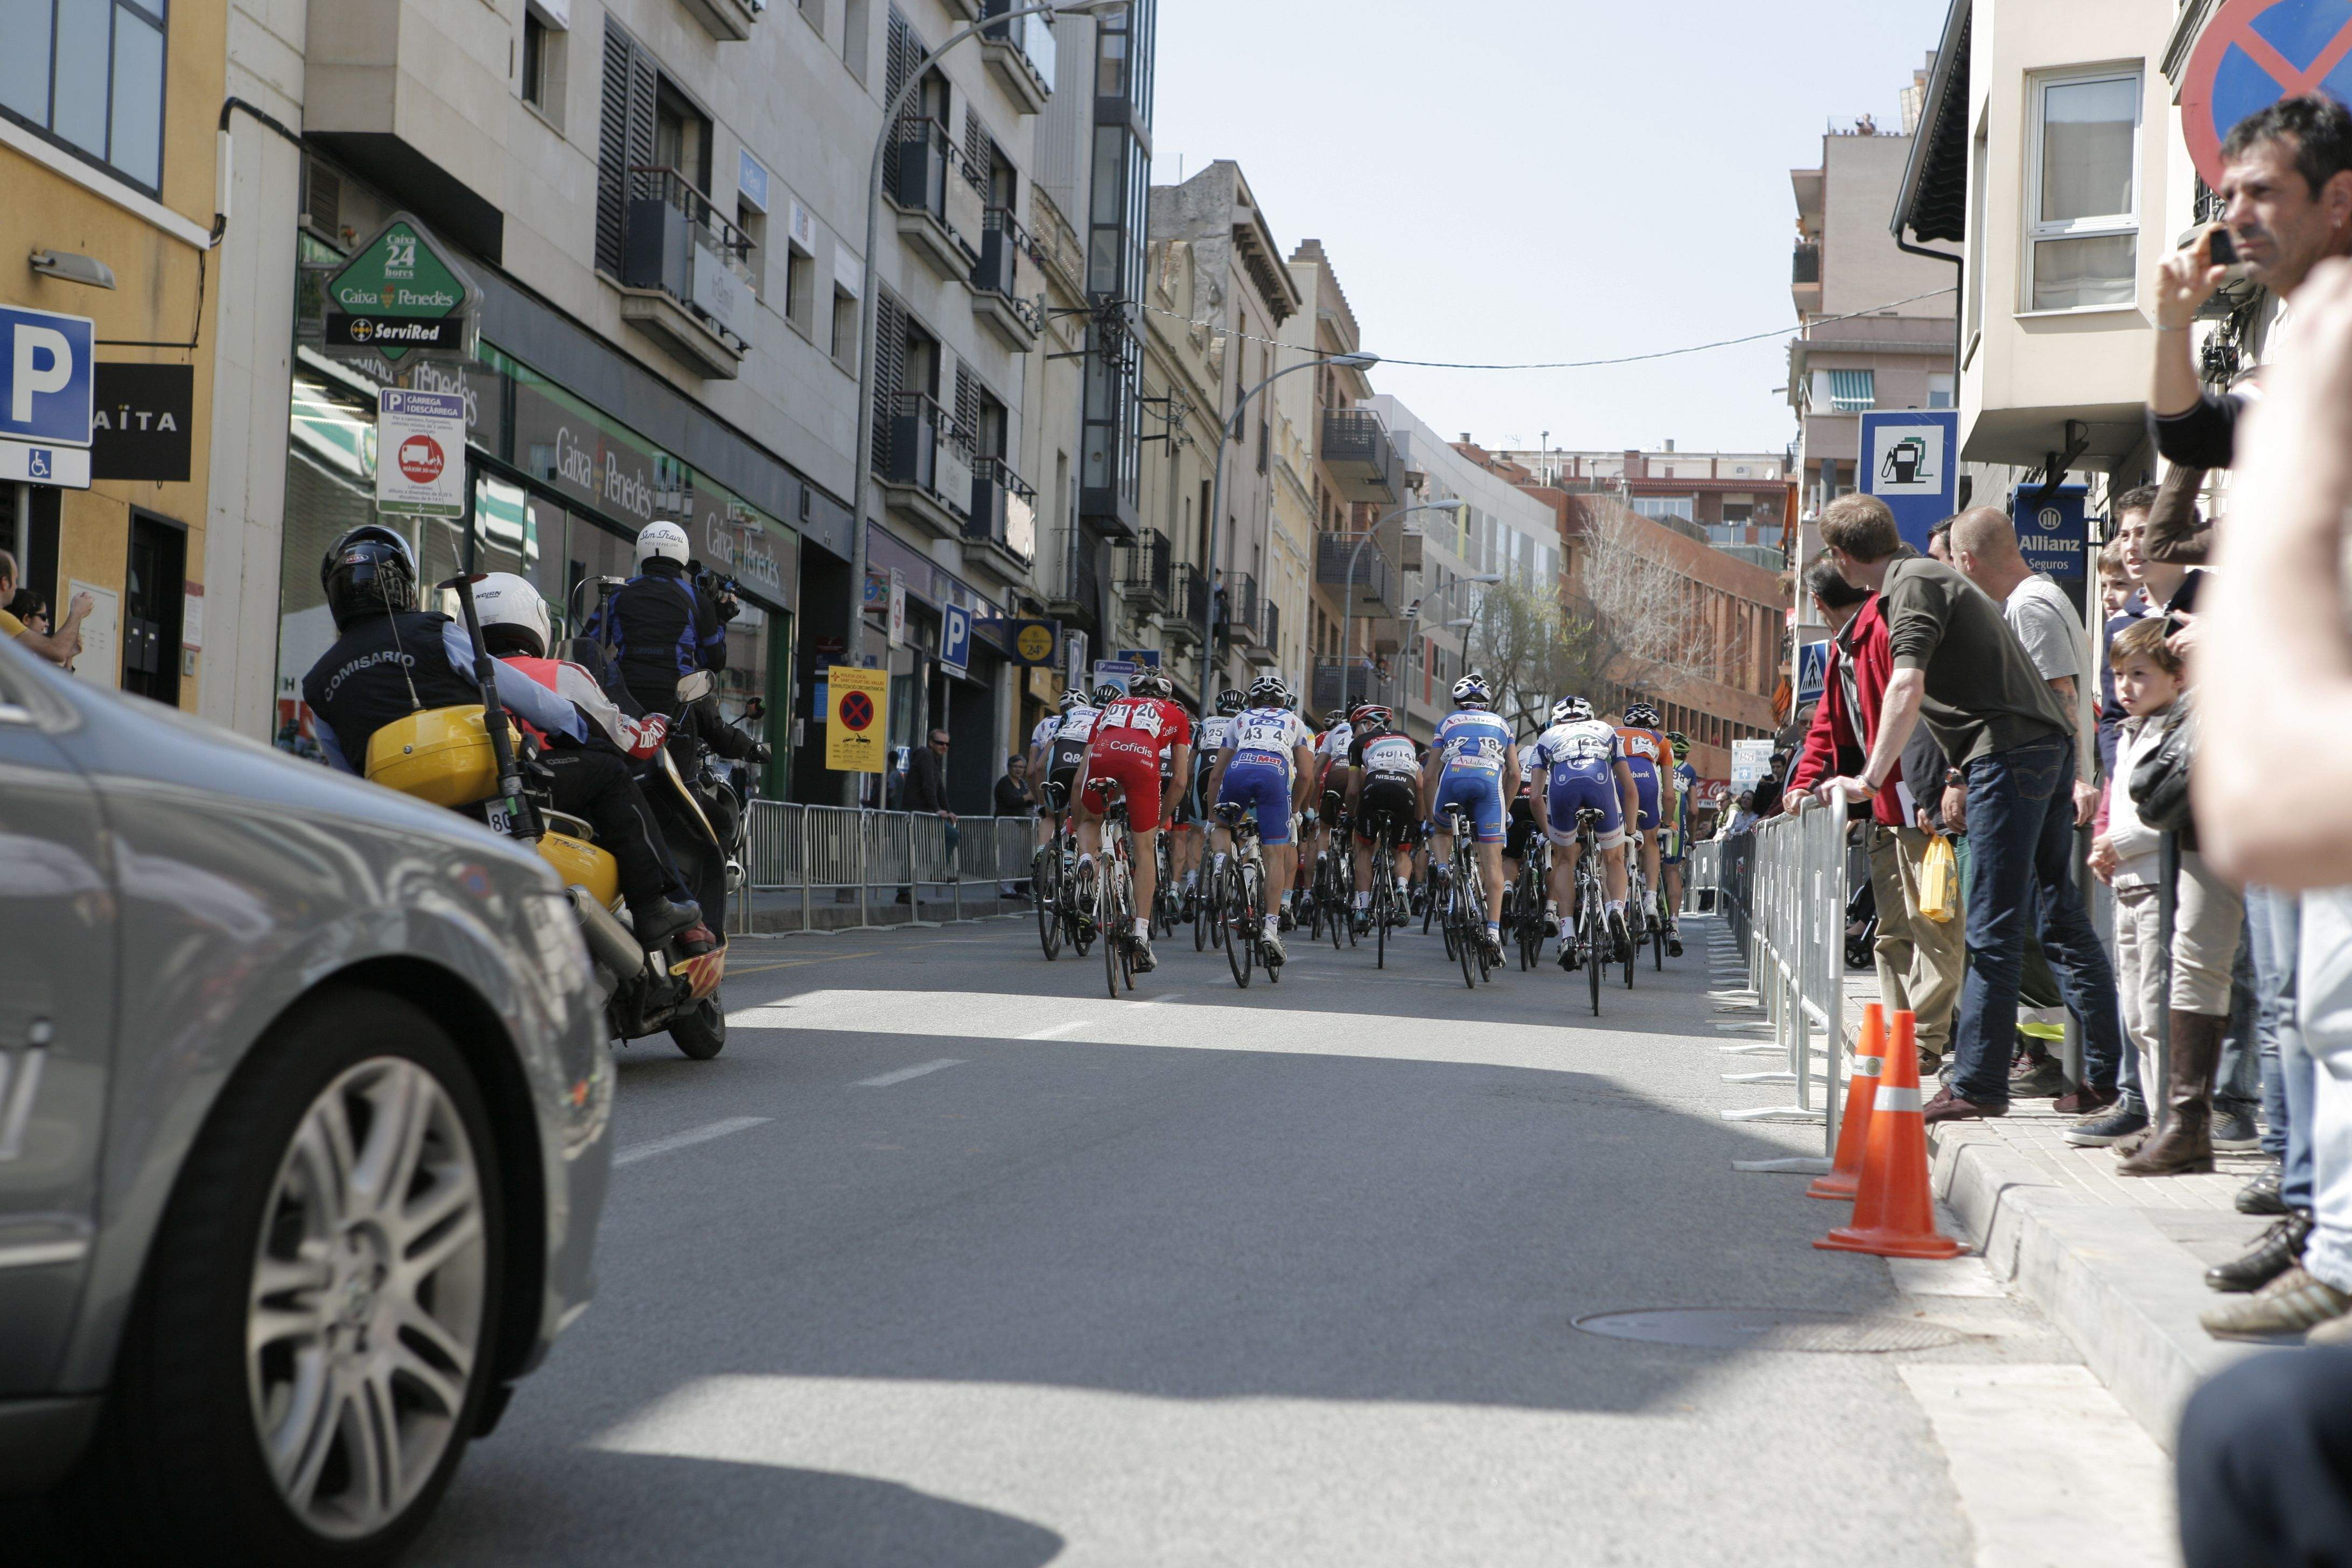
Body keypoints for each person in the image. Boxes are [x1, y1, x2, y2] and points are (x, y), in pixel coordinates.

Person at [1814, 492, 2124, 1123]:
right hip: (2036, 749)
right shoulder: (1921, 577)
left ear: (1842, 559)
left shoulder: (1910, 586)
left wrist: (1869, 779)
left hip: (2009, 755)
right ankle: (2102, 1074)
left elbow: (1906, 682)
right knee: (2056, 914)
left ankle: (1981, 1083)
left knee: (1992, 924)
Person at [302, 533, 702, 942]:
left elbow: (346, 775)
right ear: (402, 583)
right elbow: (521, 694)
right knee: (608, 773)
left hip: (412, 823)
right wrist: (578, 729)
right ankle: (652, 908)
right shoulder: (432, 630)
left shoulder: (317, 683)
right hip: (491, 792)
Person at [2081, 618, 2241, 1177]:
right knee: (2138, 1014)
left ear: (2179, 677)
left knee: (2157, 1005)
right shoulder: (2131, 731)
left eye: (2139, 674)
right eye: (2119, 676)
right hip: (2126, 881)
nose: (2125, 686)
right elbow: (2117, 800)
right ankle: (2160, 1117)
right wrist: (2107, 841)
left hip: (2157, 879)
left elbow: (2171, 810)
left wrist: (2116, 842)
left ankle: (2172, 1118)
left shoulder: (2182, 726)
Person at [1075, 669, 1192, 972]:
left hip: (1103, 756)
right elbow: (1179, 781)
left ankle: (1088, 858)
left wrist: (1080, 816)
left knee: (1091, 820)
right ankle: (1141, 931)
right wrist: (1159, 819)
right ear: (1165, 696)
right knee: (1143, 850)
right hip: (1142, 761)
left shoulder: (1110, 708)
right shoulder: (1176, 714)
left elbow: (1080, 775)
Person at [1204, 674, 1315, 965]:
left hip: (1240, 767)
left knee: (1224, 827)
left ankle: (1220, 859)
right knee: (1275, 854)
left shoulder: (1238, 719)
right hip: (1274, 772)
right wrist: (1295, 811)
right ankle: (1270, 929)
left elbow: (1216, 774)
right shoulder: (1294, 721)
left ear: (1251, 701)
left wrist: (1211, 817)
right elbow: (1305, 774)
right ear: (1283, 702)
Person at [585, 519, 739, 723]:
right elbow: (712, 661)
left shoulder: (618, 592)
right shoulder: (697, 600)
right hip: (676, 703)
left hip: (624, 699)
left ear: (642, 551)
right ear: (683, 553)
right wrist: (720, 620)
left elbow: (589, 647)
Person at [1530, 695, 1636, 967]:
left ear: (1557, 720)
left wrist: (1549, 835)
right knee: (1614, 859)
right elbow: (1629, 787)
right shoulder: (1606, 729)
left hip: (1563, 788)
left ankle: (1567, 936)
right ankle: (1616, 911)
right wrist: (1632, 832)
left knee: (1565, 860)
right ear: (1589, 717)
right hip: (1599, 783)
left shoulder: (1546, 736)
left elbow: (1534, 798)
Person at [1423, 673, 1522, 961]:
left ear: (1458, 702)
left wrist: (1432, 817)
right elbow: (1515, 775)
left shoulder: (1448, 722)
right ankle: (1492, 930)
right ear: (1486, 703)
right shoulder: (1503, 725)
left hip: (1453, 779)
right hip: (1490, 783)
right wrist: (1504, 812)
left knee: (1441, 832)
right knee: (1492, 863)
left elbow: (1430, 777)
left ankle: (1442, 866)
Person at [1344, 703, 1421, 933]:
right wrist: (1418, 820)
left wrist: (1351, 816)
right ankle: (1400, 889)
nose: (1353, 732)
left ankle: (1364, 908)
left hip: (1374, 787)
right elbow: (1420, 784)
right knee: (1402, 850)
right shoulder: (1408, 740)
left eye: (1355, 727)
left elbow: (1352, 791)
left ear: (1368, 724)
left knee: (1364, 848)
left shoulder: (1358, 744)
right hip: (1405, 789)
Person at [1174, 688, 1244, 914]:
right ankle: (1228, 874)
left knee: (1197, 831)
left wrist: (1183, 795)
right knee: (1237, 828)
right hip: (1232, 768)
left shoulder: (1206, 723)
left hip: (1204, 767)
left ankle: (1192, 882)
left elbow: (1189, 766)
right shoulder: (1244, 722)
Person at [0, 550, 92, 668]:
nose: (16, 587)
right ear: (5, 583)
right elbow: (57, 651)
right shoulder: (3, 619)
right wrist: (77, 612)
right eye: (15, 580)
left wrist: (68, 657)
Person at [1659, 731, 1699, 951]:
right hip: (1675, 817)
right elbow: (1694, 810)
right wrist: (1691, 838)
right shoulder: (1689, 770)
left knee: (1638, 859)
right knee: (1672, 871)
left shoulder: (1654, 763)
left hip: (1651, 810)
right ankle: (1674, 925)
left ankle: (1637, 906)